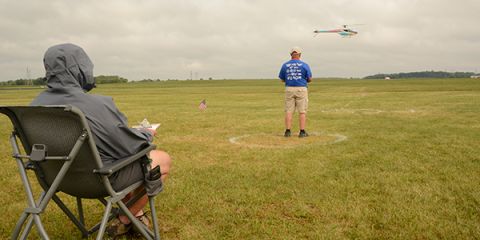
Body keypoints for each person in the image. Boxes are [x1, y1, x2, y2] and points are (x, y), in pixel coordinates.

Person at [29, 43, 171, 239]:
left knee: (119, 159)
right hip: (97, 180)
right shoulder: (96, 104)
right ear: (80, 68)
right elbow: (128, 146)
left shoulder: (33, 106)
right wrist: (147, 133)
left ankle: (134, 214)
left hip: (55, 179)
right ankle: (125, 219)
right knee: (161, 159)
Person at [278, 46, 312, 138]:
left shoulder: (285, 65)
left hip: (289, 88)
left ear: (291, 54)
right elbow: (310, 79)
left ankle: (288, 131)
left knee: (289, 110)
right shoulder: (305, 65)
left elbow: (282, 79)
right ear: (300, 55)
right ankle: (302, 131)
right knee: (302, 111)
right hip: (301, 88)